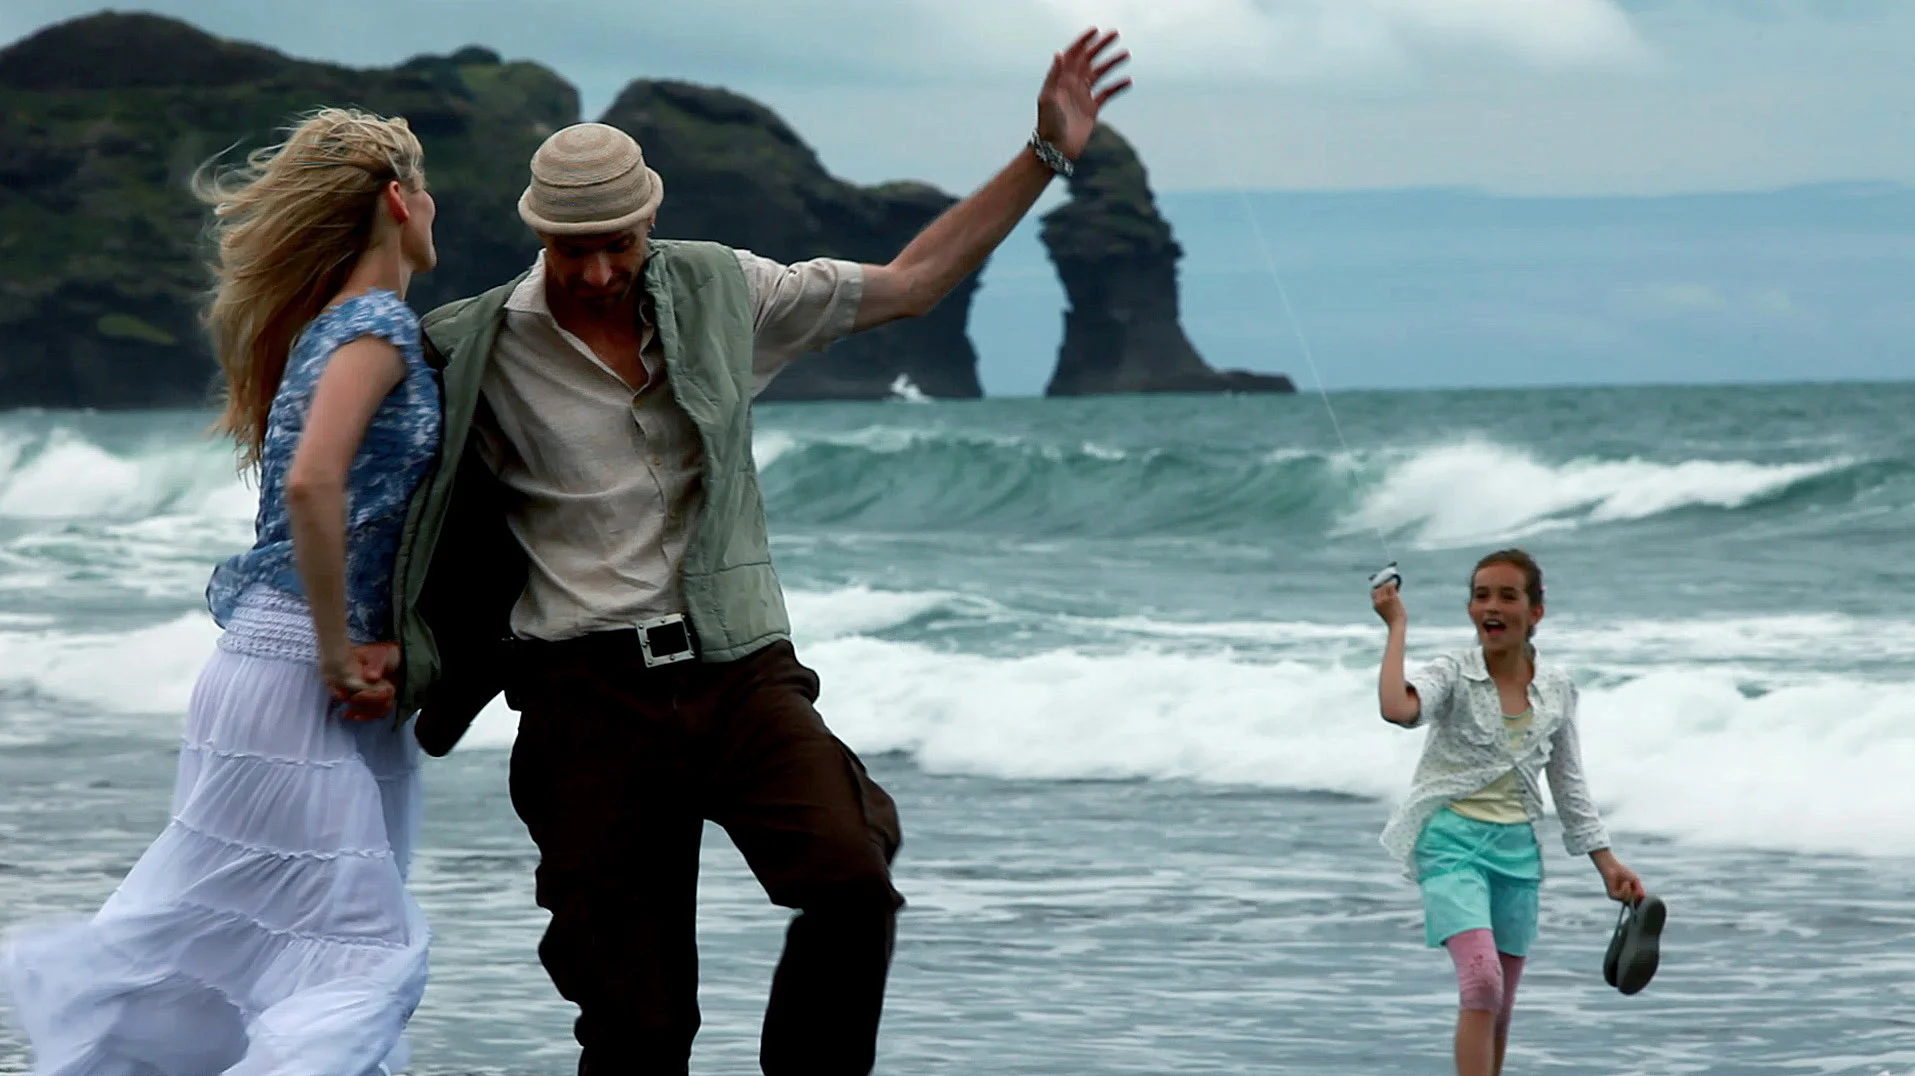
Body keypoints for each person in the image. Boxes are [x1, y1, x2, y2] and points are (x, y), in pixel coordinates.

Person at [386, 26, 1132, 1076]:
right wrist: (366, 641)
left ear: (651, 220)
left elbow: (914, 282)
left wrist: (1046, 152)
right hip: (581, 698)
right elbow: (389, 505)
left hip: (737, 672)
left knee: (849, 883)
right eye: (572, 248)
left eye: (619, 243)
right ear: (536, 234)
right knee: (636, 1025)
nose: (598, 271)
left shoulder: (725, 291)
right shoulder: (470, 347)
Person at [0, 107, 441, 1076]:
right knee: (357, 952)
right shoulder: (373, 325)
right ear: (399, 201)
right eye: (428, 186)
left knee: (214, 950)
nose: (435, 204)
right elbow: (310, 485)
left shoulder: (324, 329)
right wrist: (336, 650)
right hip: (302, 673)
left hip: (281, 671)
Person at [1371, 548, 1646, 1076]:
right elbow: (1397, 709)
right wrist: (1396, 626)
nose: (1490, 606)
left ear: (1535, 611)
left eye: (1507, 596)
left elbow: (1568, 786)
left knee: (1498, 1007)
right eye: (1480, 596)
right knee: (1481, 980)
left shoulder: (1558, 690)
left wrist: (1607, 865)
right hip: (1450, 844)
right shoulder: (1452, 672)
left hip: (1517, 853)